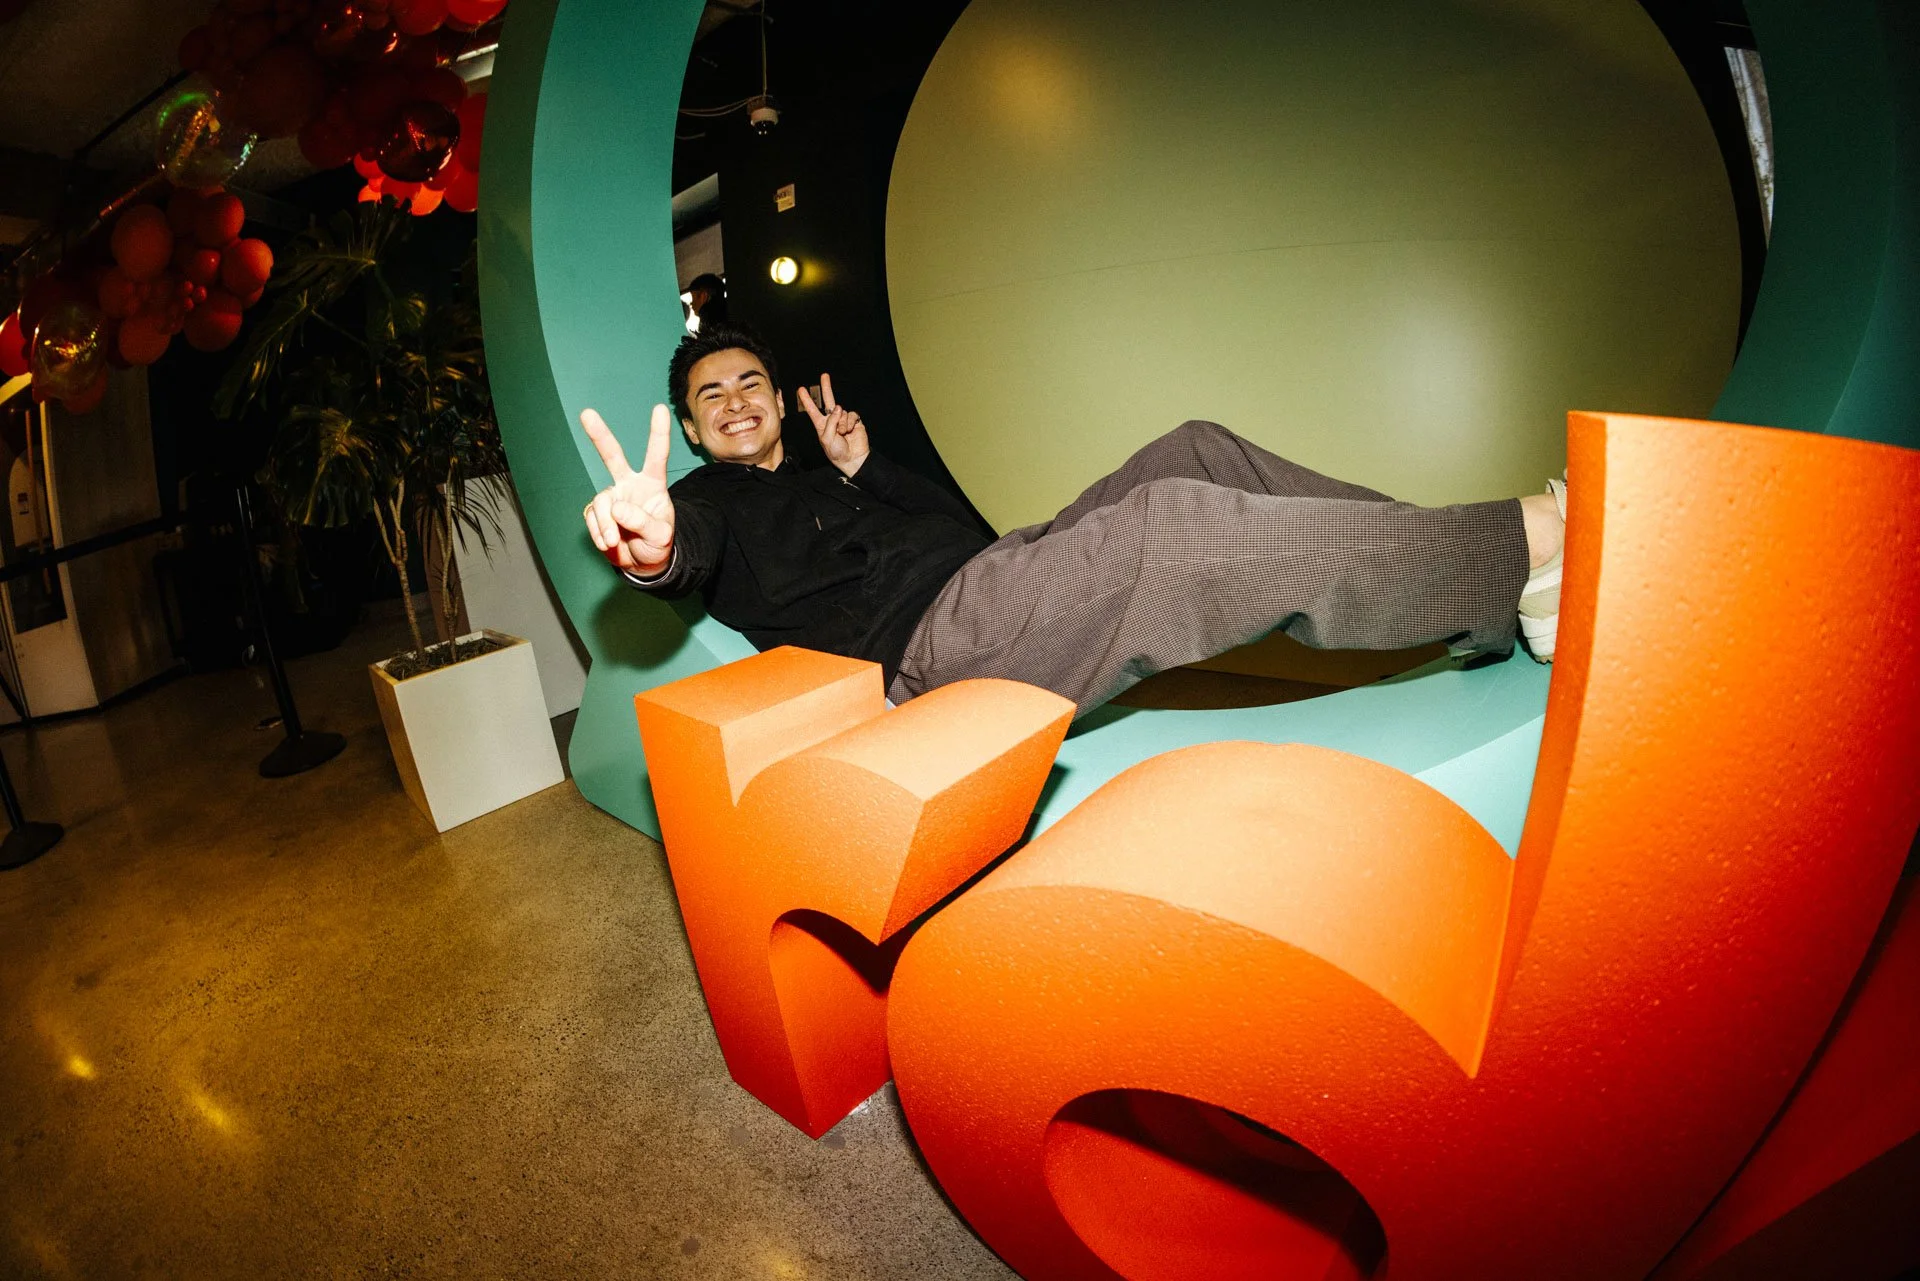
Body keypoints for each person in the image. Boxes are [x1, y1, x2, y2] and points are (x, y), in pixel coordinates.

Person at [581, 325, 1566, 717]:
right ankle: (1529, 546)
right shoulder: (709, 504)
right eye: (714, 396)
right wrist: (654, 548)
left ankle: (1461, 569)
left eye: (751, 380)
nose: (738, 398)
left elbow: (961, 536)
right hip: (932, 648)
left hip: (998, 574)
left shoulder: (832, 468)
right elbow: (683, 555)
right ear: (701, 431)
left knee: (1196, 447)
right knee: (1164, 531)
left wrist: (867, 465)